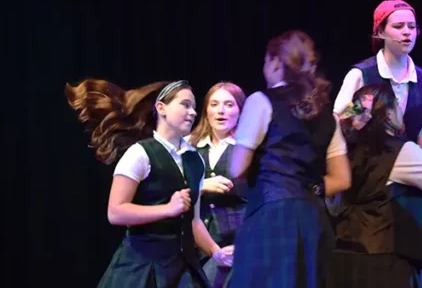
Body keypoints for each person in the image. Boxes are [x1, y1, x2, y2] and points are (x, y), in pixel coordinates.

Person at [332, 0, 422, 287]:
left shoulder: (420, 78)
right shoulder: (364, 74)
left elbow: (421, 129)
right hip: (371, 175)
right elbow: (341, 121)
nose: (406, 32)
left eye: (411, 26)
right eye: (398, 26)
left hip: (407, 175)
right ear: (380, 33)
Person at [226, 30, 352, 288]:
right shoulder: (327, 115)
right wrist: (308, 189)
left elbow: (237, 168)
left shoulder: (261, 101)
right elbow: (342, 179)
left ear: (274, 62)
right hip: (314, 221)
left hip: (271, 219)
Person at [66, 79, 210, 287]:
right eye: (185, 104)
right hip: (143, 269)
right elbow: (115, 212)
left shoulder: (195, 160)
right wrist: (167, 209)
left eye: (194, 107)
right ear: (161, 108)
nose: (193, 112)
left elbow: (194, 222)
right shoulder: (140, 153)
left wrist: (217, 252)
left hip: (182, 271)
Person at [327, 84, 422, 288]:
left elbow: (334, 120)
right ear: (387, 113)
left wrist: (352, 111)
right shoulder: (399, 151)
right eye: (396, 104)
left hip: (345, 257)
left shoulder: (344, 150)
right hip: (384, 262)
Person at [180, 82, 247, 288]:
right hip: (194, 244)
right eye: (214, 104)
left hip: (237, 243)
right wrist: (200, 185)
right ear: (206, 109)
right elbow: (169, 188)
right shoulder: (188, 145)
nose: (221, 111)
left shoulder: (248, 147)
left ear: (240, 110)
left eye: (229, 104)